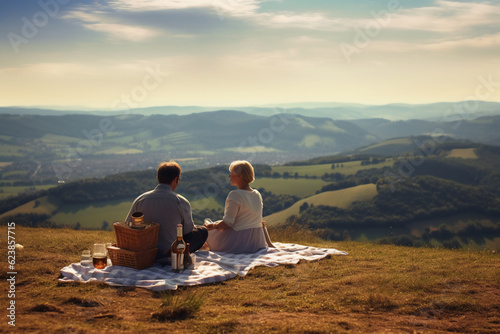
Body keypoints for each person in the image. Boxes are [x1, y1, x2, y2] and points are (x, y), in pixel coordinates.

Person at [125, 161, 208, 260]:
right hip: (172, 249)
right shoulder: (181, 201)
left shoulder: (140, 199)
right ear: (175, 179)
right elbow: (188, 231)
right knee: (202, 232)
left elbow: (127, 226)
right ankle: (172, 253)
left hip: (145, 250)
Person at [203, 160, 275, 253]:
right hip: (257, 241)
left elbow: (227, 223)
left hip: (240, 242)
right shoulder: (257, 194)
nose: (229, 176)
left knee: (205, 231)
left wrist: (212, 226)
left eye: (231, 173)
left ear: (239, 176)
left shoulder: (235, 195)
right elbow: (259, 221)